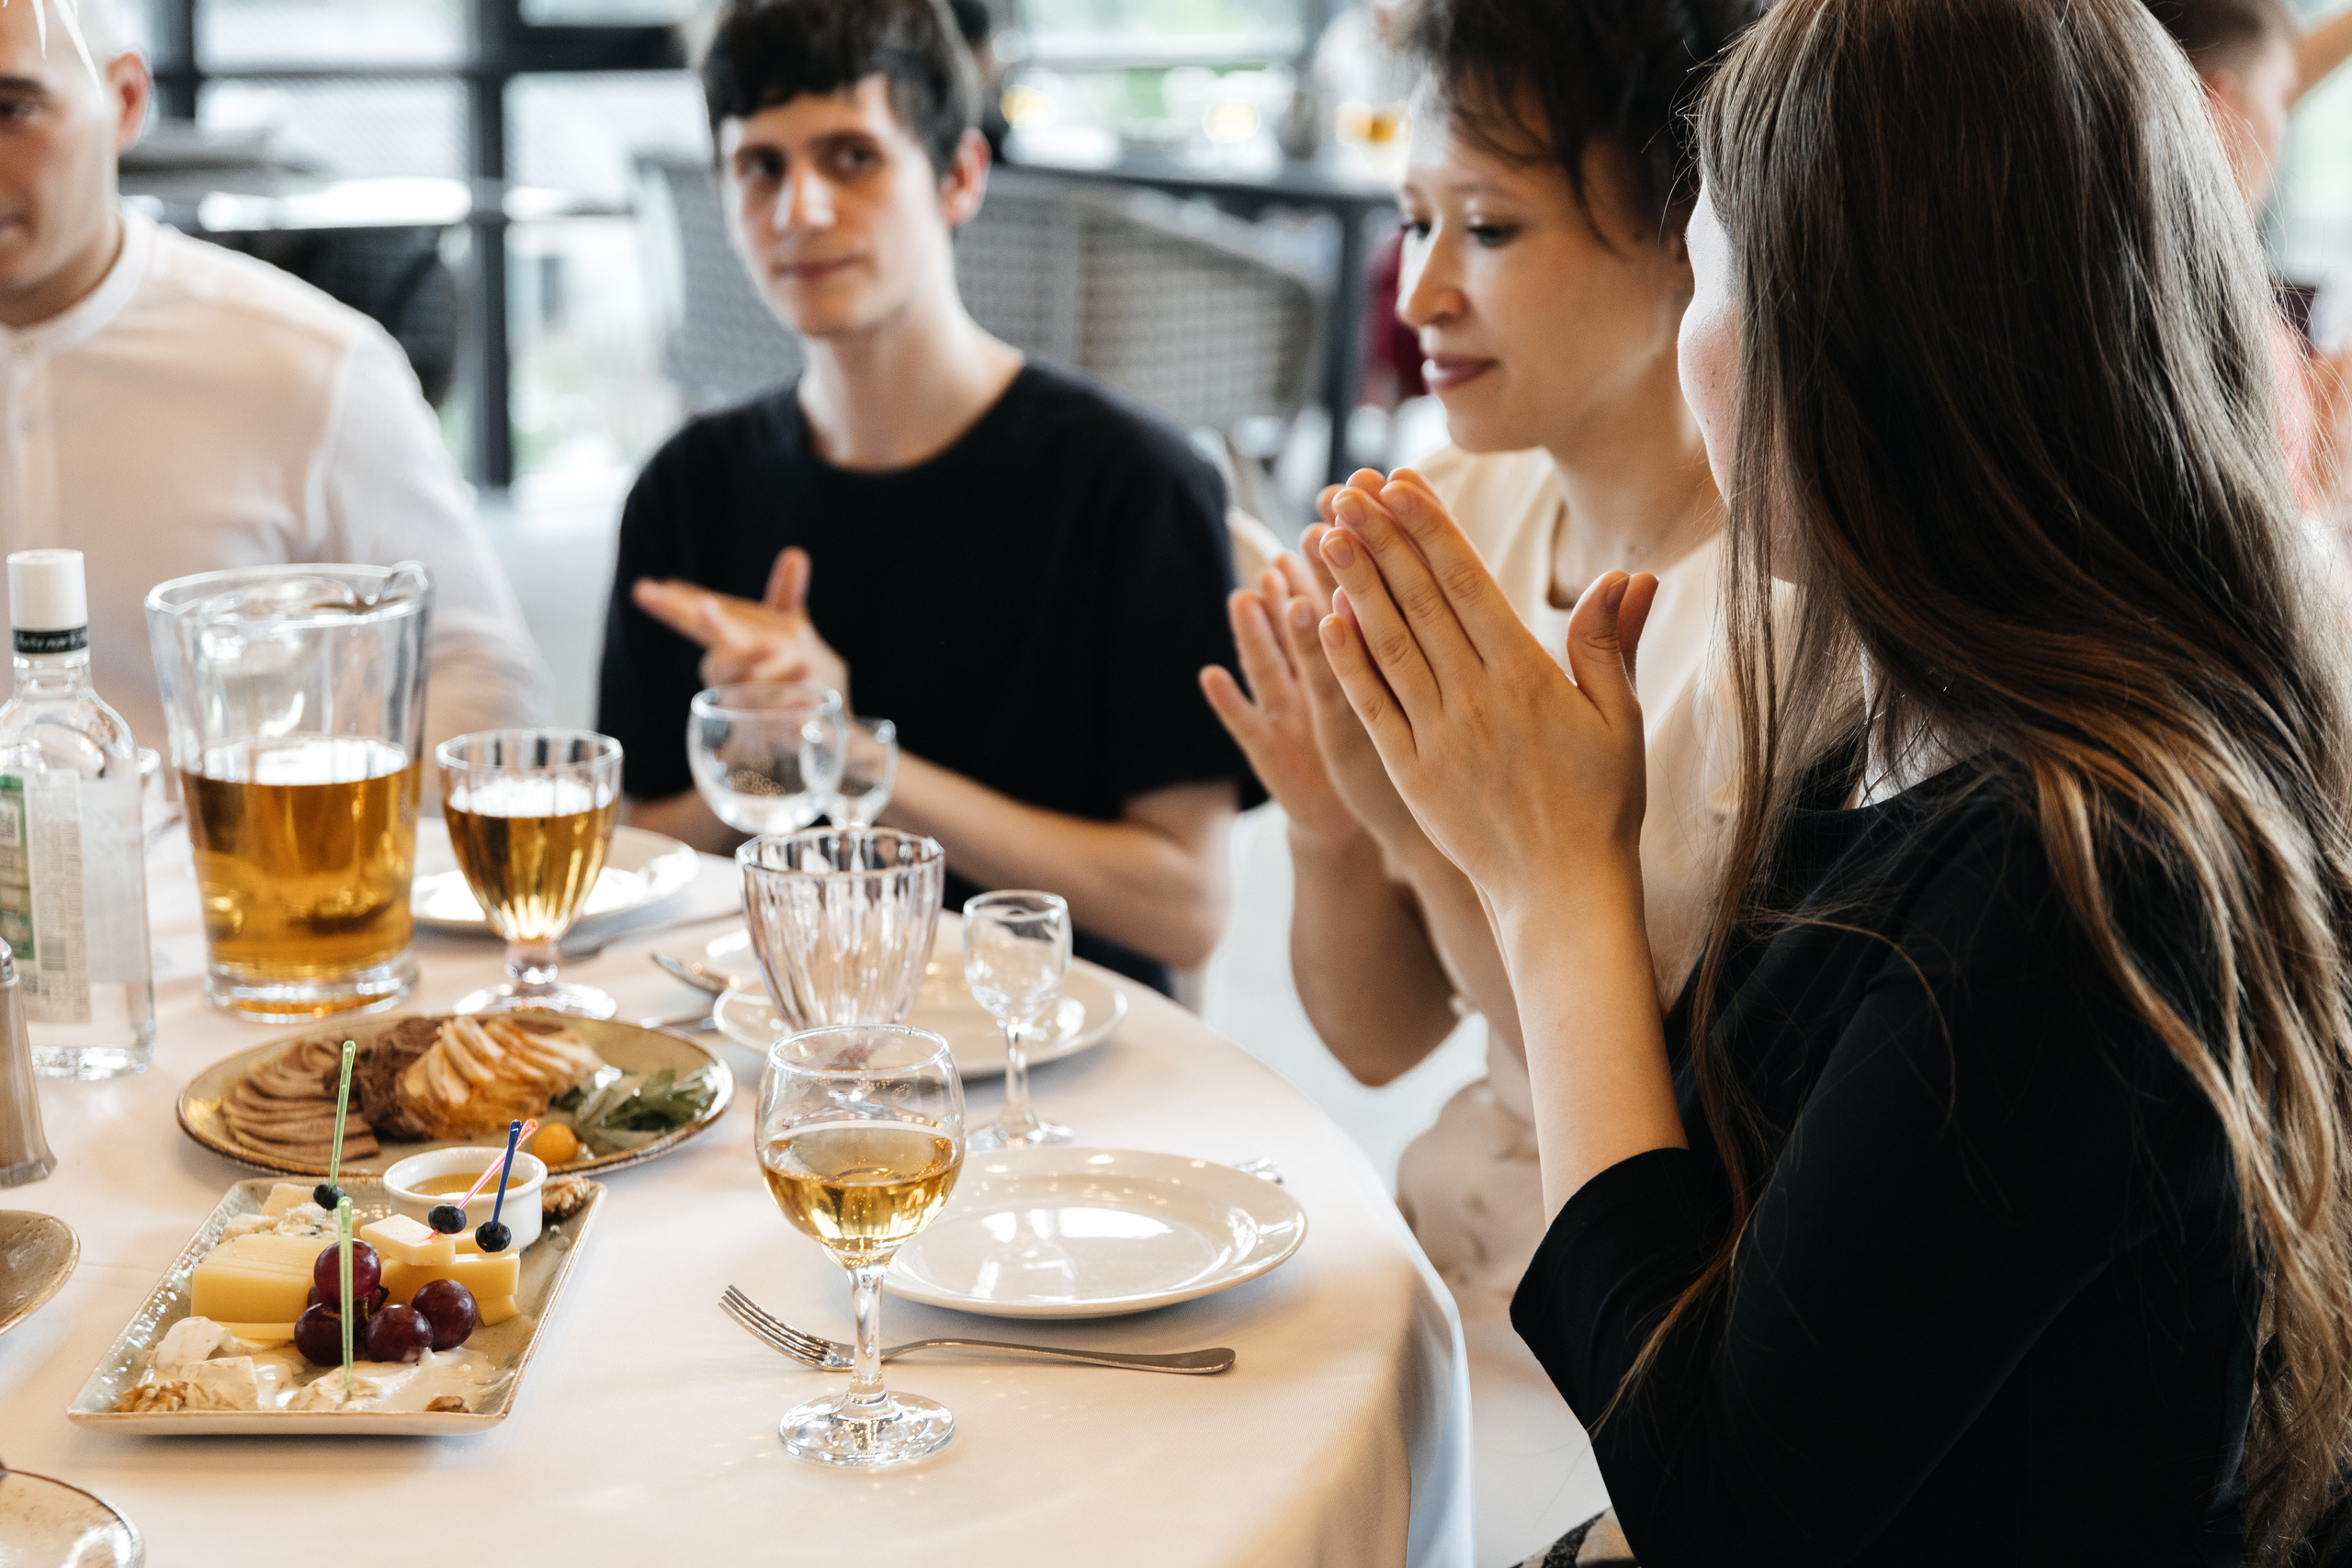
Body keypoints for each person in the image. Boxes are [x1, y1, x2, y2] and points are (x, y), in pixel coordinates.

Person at [1315, 0, 2352, 1559]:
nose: (1693, 350)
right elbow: (1735, 1227)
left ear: (1865, 334)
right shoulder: (1897, 723)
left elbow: (1722, 1508)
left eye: (1716, 268)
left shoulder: (2080, 864)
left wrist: (1555, 879)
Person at [1199, 0, 1754, 1557]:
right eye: (1414, 219)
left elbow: (1635, 1107)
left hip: (1641, 1323)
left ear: (1683, 239)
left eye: (1491, 229)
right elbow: (1377, 1039)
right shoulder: (1449, 514)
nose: (1420, 291)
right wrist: (1326, 819)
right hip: (1454, 1234)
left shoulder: (1777, 613)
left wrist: (1422, 834)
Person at [598, 0, 1252, 994]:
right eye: (759, 166)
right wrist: (764, 758)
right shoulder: (687, 489)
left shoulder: (1133, 486)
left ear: (959, 176)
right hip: (777, 1044)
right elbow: (633, 860)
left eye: (850, 156)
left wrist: (851, 757)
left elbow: (1186, 908)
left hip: (1061, 1065)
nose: (799, 209)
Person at [0, 0, 548, 756]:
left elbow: (485, 693)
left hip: (229, 860)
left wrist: (288, 821)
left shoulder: (310, 365)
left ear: (125, 99)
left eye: (11, 109)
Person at [2152, 0, 2352, 516]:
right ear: (2218, 109)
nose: (2281, 130)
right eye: (2282, 100)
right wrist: (2322, 501)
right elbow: (2262, 585)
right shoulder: (2242, 343)